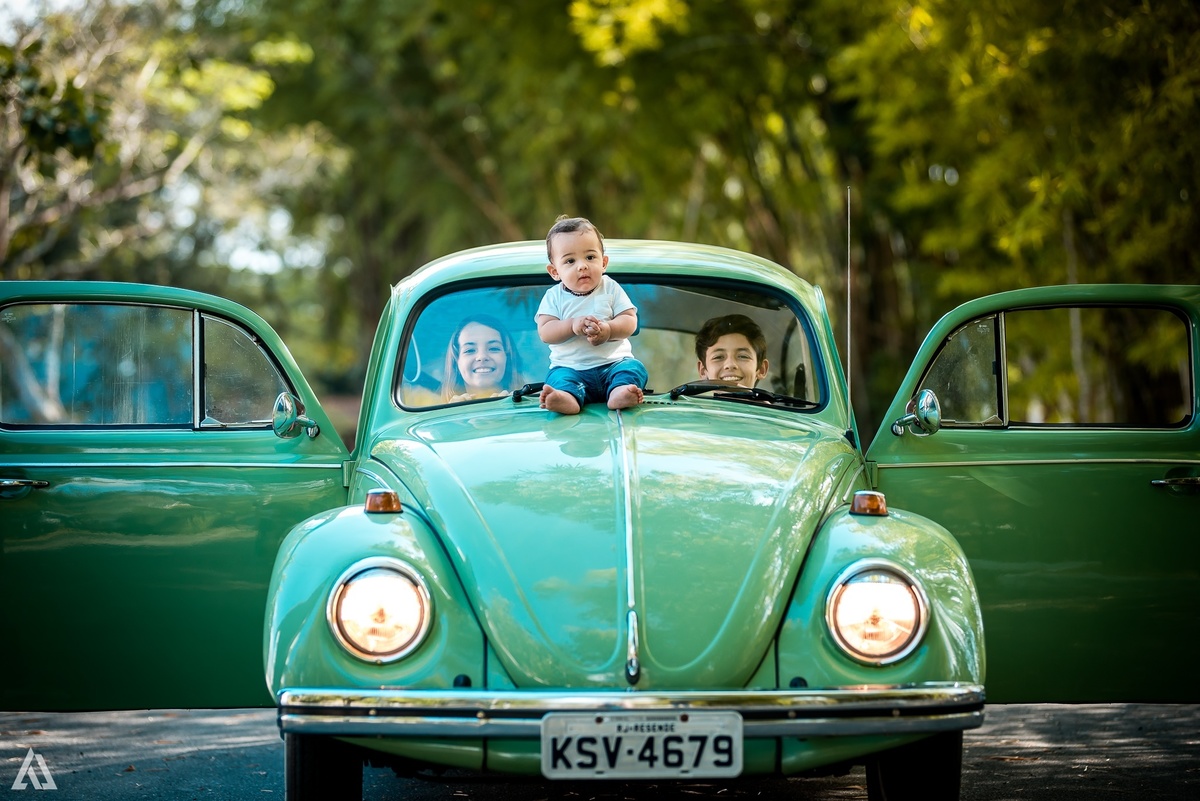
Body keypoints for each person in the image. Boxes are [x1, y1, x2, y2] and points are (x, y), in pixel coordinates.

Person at [535, 215, 648, 414]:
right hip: (571, 369)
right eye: (570, 260)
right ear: (554, 271)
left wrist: (608, 329)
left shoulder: (610, 287)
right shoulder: (553, 297)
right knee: (558, 378)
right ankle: (566, 398)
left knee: (634, 368)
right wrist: (571, 326)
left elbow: (630, 320)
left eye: (590, 257)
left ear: (603, 262)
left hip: (613, 364)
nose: (582, 266)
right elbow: (545, 331)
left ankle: (619, 392)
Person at [440, 315, 525, 402]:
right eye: (470, 350)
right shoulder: (436, 413)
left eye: (494, 348)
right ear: (456, 361)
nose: (482, 357)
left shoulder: (532, 407)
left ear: (507, 358)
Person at [694, 314, 769, 388]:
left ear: (761, 369)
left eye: (743, 356)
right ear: (703, 370)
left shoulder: (775, 400)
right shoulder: (684, 400)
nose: (730, 365)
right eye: (718, 357)